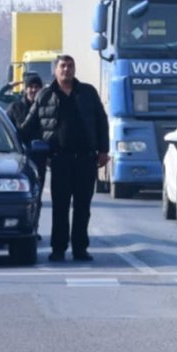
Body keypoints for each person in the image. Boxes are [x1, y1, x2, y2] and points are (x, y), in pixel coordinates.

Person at [18, 55, 110, 262]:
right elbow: (28, 126)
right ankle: (58, 249)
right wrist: (10, 142)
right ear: (55, 70)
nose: (66, 70)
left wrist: (104, 150)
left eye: (70, 66)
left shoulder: (87, 92)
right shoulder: (45, 95)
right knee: (60, 207)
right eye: (62, 66)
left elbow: (101, 121)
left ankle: (80, 249)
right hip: (60, 160)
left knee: (83, 208)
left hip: (86, 159)